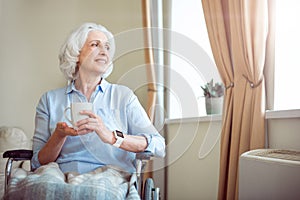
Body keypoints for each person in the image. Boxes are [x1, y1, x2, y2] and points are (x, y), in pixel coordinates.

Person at [31, 22, 166, 174]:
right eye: (95, 45)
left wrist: (112, 136)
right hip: (61, 176)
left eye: (107, 47)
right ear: (76, 54)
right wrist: (59, 135)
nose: (104, 52)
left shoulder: (123, 96)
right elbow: (37, 162)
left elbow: (159, 145)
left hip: (111, 177)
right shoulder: (49, 100)